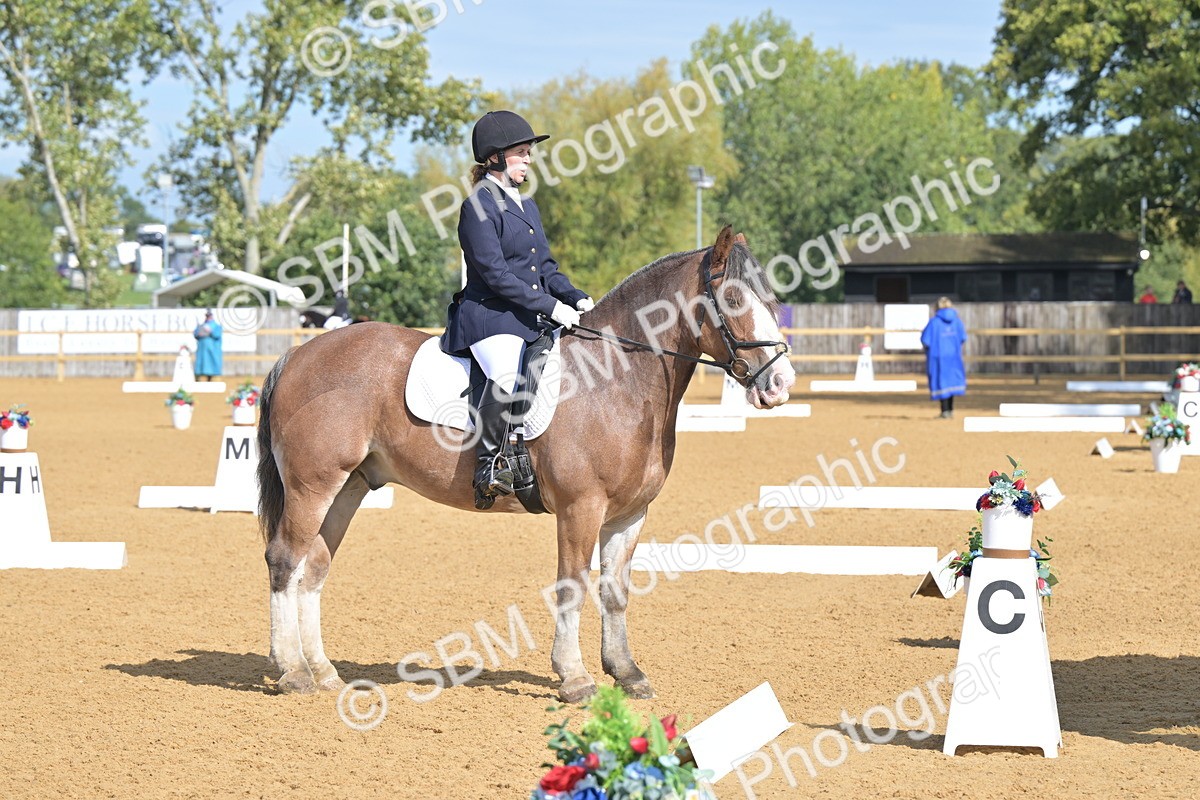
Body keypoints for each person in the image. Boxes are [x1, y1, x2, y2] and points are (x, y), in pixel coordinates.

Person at [442, 110, 594, 509]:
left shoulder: (526, 206)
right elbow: (495, 274)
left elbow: (544, 268)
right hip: (489, 314)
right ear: (495, 157)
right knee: (506, 373)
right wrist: (551, 306)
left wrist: (574, 296)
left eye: (529, 153)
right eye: (522, 153)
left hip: (526, 313)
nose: (528, 160)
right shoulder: (478, 206)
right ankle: (491, 466)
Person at [920, 297, 967, 419]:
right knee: (952, 382)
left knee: (941, 382)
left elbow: (926, 340)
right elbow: (962, 338)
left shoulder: (934, 322)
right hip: (954, 357)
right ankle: (950, 409)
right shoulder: (957, 322)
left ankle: (944, 410)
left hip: (938, 357)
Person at [193, 309, 223, 381]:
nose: (208, 317)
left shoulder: (216, 326)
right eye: (207, 316)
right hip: (202, 349)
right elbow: (196, 333)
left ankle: (212, 377)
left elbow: (217, 335)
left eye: (209, 316)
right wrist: (198, 333)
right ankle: (198, 377)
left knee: (212, 362)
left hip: (212, 349)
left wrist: (210, 331)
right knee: (201, 362)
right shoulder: (201, 326)